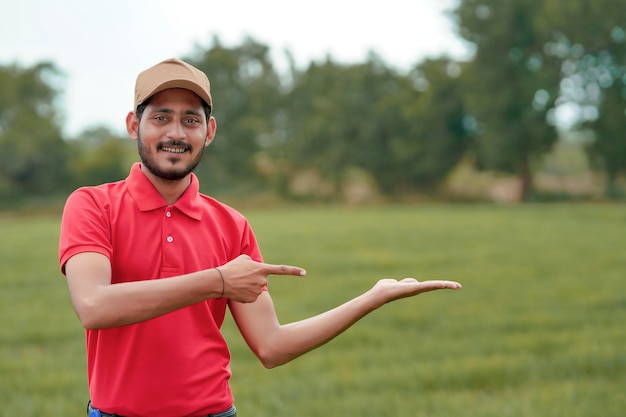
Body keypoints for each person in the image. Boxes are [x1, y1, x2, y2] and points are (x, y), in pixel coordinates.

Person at [58, 58, 462, 417]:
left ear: (210, 131)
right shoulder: (93, 206)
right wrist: (217, 281)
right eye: (161, 117)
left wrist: (373, 297)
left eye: (191, 119)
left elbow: (272, 346)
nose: (176, 133)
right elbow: (94, 306)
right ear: (134, 125)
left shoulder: (231, 225)